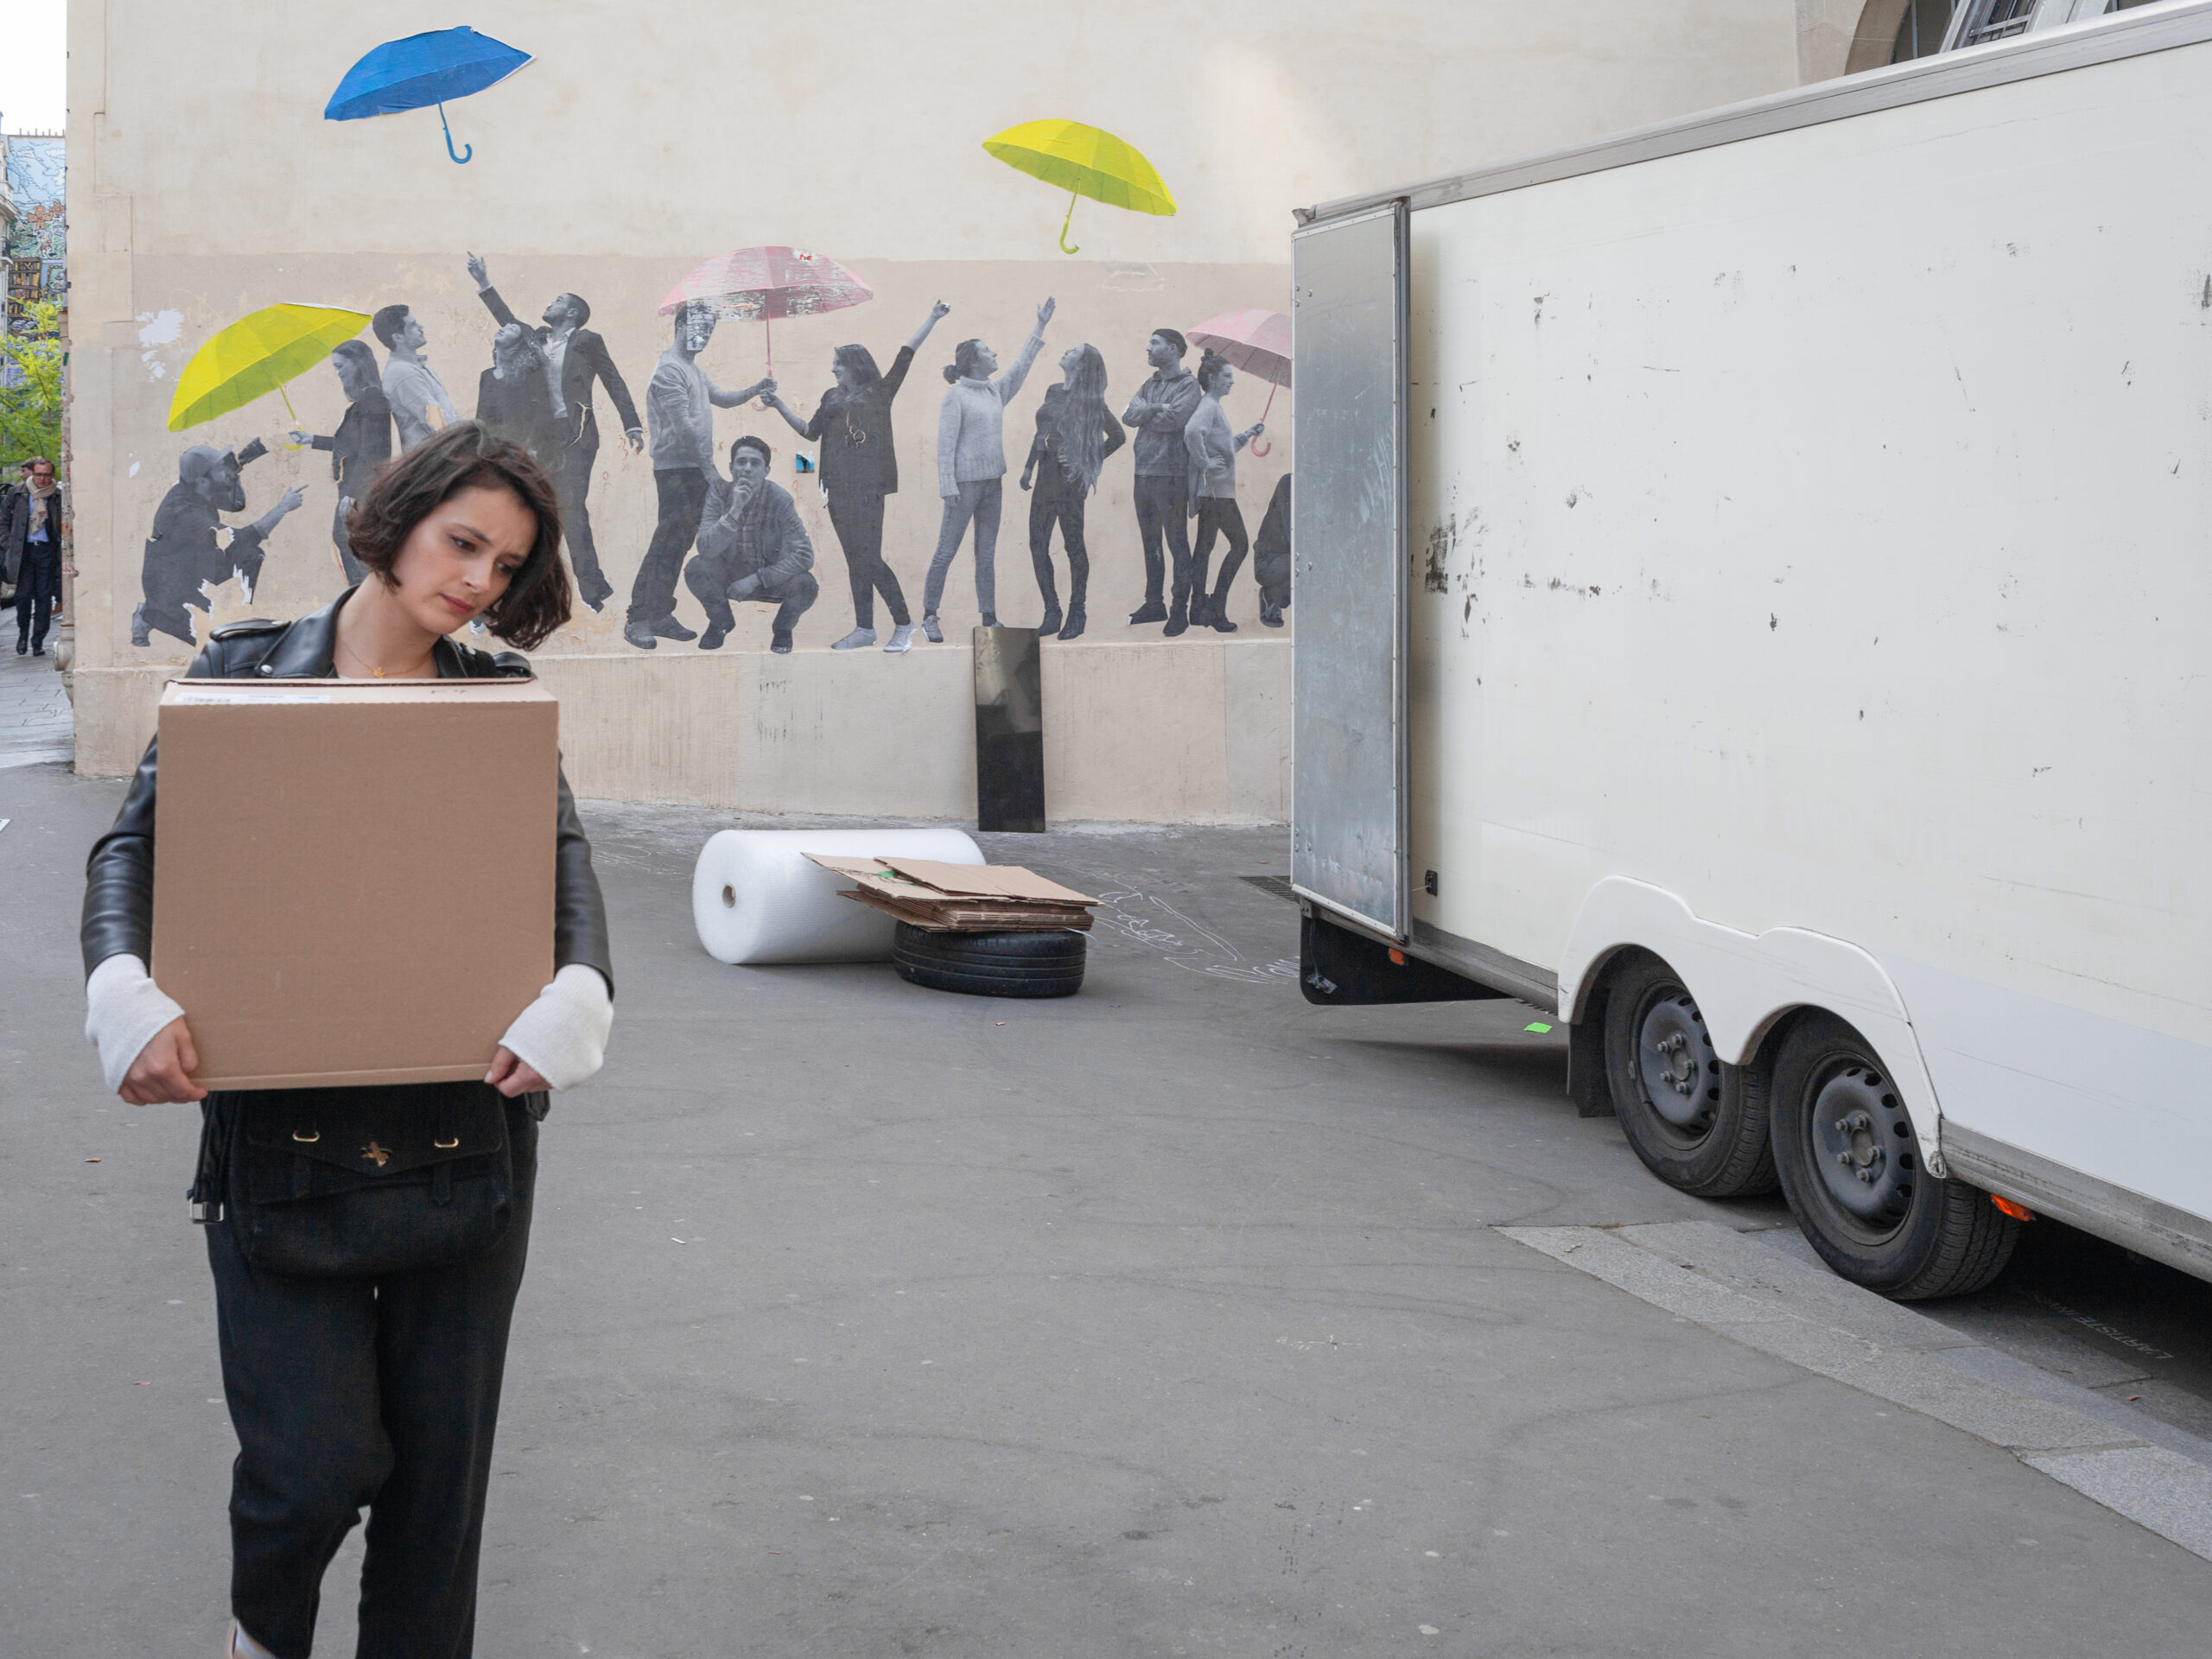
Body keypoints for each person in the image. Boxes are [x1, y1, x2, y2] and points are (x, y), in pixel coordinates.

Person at [81, 422, 614, 1659]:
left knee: (438, 1489)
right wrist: (123, 988)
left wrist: (580, 989)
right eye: (462, 543)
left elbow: (561, 865)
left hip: (468, 1129)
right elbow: (135, 849)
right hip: (282, 1132)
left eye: (505, 565)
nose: (478, 581)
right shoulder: (244, 672)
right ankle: (262, 1637)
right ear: (396, 520)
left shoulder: (496, 702)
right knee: (310, 1465)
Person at [763, 300, 950, 652]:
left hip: (869, 489)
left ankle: (903, 622)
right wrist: (779, 405)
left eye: (839, 363)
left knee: (869, 558)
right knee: (856, 561)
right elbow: (810, 433)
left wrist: (933, 317)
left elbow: (906, 354)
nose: (833, 368)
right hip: (837, 490)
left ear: (854, 366)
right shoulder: (831, 396)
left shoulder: (880, 392)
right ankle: (865, 628)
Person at [466, 255, 643, 613]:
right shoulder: (538, 338)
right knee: (533, 511)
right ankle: (525, 590)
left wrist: (632, 423)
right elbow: (506, 319)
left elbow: (613, 380)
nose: (549, 303)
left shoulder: (588, 341)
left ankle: (592, 590)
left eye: (558, 300)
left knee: (572, 508)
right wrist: (483, 281)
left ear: (572, 313)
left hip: (576, 436)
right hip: (543, 438)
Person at [626, 302, 774, 651]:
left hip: (692, 469)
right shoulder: (669, 370)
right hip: (676, 470)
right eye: (699, 328)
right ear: (680, 327)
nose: (705, 336)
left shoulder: (692, 368)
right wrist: (711, 473)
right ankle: (638, 619)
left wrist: (756, 389)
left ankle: (660, 614)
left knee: (678, 545)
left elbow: (721, 398)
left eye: (709, 330)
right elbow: (684, 428)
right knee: (666, 543)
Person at [922, 297, 1055, 639]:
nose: (994, 354)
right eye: (987, 351)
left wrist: (1041, 324)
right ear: (973, 361)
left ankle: (989, 617)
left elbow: (1021, 366)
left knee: (986, 553)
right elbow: (945, 443)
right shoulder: (955, 396)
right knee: (946, 551)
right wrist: (947, 484)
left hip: (993, 483)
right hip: (963, 486)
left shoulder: (995, 392)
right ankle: (930, 615)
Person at [132, 441, 306, 648]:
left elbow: (236, 504)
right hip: (170, 590)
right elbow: (239, 538)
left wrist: (235, 470)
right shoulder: (184, 514)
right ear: (202, 481)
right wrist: (283, 508)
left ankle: (236, 615)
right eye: (220, 468)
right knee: (214, 640)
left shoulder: (196, 489)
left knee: (249, 554)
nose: (226, 470)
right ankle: (149, 615)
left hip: (190, 569)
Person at [1018, 343, 1123, 640]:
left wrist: (1084, 459)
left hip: (1069, 480)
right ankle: (1052, 612)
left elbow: (1118, 437)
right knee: (1037, 544)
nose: (1066, 350)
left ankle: (1077, 612)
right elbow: (1041, 432)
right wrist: (1028, 466)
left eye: (1073, 350)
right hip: (1044, 474)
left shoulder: (1090, 399)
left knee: (1073, 545)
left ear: (1082, 365)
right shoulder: (1053, 391)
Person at [683, 434, 817, 654]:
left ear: (766, 471)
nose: (747, 469)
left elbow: (804, 555)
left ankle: (783, 628)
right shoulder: (718, 493)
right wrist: (735, 509)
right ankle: (721, 622)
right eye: (741, 462)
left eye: (755, 463)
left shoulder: (780, 498)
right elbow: (705, 548)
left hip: (768, 580)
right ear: (731, 467)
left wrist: (756, 579)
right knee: (695, 568)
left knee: (806, 584)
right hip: (729, 577)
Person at [287, 341, 392, 585]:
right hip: (354, 487)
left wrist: (354, 493)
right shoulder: (365, 401)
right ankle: (363, 592)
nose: (338, 373)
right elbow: (351, 445)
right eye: (336, 368)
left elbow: (372, 451)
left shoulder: (372, 399)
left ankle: (365, 593)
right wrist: (311, 439)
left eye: (341, 366)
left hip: (362, 489)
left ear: (358, 364)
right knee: (350, 541)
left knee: (352, 542)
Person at [1120, 327, 1204, 633]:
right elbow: (1127, 416)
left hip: (1171, 476)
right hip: (1143, 473)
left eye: (1155, 343)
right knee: (1150, 542)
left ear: (1174, 348)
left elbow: (1174, 421)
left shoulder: (1189, 385)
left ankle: (1179, 610)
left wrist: (1146, 413)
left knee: (1177, 543)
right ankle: (1154, 603)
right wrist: (1155, 408)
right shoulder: (1150, 383)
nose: (1148, 348)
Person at [1181, 351, 1266, 633]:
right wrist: (1204, 463)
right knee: (1240, 545)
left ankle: (1198, 609)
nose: (1232, 382)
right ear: (1213, 379)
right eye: (1227, 376)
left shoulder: (1213, 406)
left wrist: (1247, 434)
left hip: (1213, 491)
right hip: (1217, 492)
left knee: (1204, 548)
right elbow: (1192, 432)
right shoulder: (1209, 406)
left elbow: (1224, 448)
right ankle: (1216, 609)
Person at [474, 322, 563, 471]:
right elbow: (481, 417)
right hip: (494, 453)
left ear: (519, 343)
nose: (502, 329)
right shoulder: (487, 376)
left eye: (512, 329)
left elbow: (542, 411)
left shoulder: (528, 374)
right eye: (504, 327)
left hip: (522, 451)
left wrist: (531, 446)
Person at [372, 304, 460, 451]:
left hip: (441, 454)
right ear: (398, 338)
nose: (421, 327)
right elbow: (438, 424)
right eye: (413, 325)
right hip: (433, 459)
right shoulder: (403, 373)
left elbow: (448, 414)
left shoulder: (416, 368)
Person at [6, 456, 65, 655]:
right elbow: (3, 521)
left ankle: (37, 641)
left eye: (46, 475)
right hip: (23, 551)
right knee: (22, 597)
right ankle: (23, 633)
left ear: (52, 475)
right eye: (38, 474)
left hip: (47, 551)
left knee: (43, 598)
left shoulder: (57, 496)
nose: (42, 478)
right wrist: (8, 544)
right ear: (32, 473)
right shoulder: (17, 493)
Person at [1252, 471, 1292, 627]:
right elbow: (1291, 529)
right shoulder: (1289, 482)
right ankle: (1272, 597)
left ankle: (1278, 597)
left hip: (1287, 560)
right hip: (1269, 562)